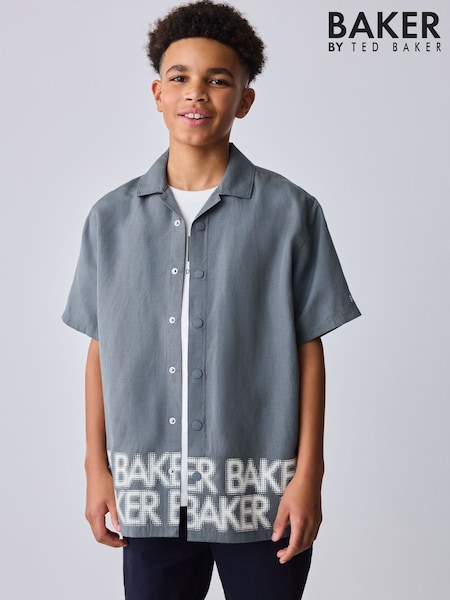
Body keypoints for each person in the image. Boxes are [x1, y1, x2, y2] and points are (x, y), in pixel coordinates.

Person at [62, 1, 361, 598]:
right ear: (158, 93)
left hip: (263, 494)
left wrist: (309, 477)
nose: (196, 93)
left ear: (244, 100)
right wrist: (97, 468)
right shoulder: (110, 220)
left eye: (218, 80)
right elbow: (100, 349)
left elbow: (309, 351)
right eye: (179, 77)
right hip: (149, 495)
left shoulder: (291, 213)